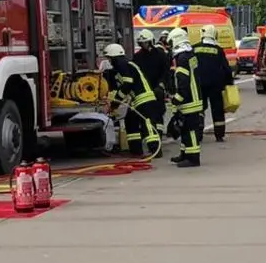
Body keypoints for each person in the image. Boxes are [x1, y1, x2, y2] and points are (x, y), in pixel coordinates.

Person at [100, 42, 161, 158]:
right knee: (130, 121)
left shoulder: (123, 64)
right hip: (136, 100)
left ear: (113, 56)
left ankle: (155, 150)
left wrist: (116, 102)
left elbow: (128, 83)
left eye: (109, 58)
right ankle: (135, 150)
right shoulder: (122, 65)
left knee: (147, 124)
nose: (108, 61)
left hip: (144, 99)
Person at [168, 29, 204, 167]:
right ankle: (184, 154)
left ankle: (193, 158)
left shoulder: (182, 59)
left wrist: (176, 99)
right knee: (184, 129)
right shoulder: (190, 55)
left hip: (189, 102)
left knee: (190, 131)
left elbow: (183, 82)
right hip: (194, 99)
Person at [193, 23, 234, 142]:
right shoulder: (218, 50)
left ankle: (198, 133)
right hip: (216, 85)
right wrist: (229, 82)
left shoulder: (194, 48)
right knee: (217, 110)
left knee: (200, 109)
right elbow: (226, 68)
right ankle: (219, 135)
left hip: (199, 84)